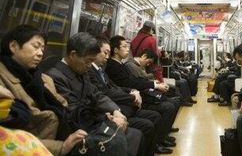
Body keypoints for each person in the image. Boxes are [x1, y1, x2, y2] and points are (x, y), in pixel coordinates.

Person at [46, 32, 143, 156]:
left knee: (135, 135)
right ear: (73, 55)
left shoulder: (81, 71)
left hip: (92, 120)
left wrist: (115, 110)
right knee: (120, 141)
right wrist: (107, 118)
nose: (89, 65)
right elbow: (75, 111)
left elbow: (96, 94)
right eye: (88, 61)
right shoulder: (56, 76)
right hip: (79, 128)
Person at [0, 25, 87, 155]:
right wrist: (61, 147)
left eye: (42, 48)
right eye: (35, 46)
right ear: (13, 46)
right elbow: (7, 135)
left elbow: (63, 106)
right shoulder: (3, 78)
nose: (41, 53)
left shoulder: (44, 79)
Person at [88, 37, 168, 155]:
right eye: (124, 46)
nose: (106, 56)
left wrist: (133, 91)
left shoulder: (103, 69)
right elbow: (106, 92)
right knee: (152, 120)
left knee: (157, 114)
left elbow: (115, 86)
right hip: (114, 108)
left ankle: (158, 143)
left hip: (123, 102)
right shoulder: (106, 68)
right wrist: (132, 96)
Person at [106, 35, 178, 151]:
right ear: (115, 50)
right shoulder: (114, 66)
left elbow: (131, 83)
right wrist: (137, 92)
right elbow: (128, 83)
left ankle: (160, 139)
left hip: (135, 95)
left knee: (171, 100)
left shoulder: (120, 65)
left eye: (128, 46)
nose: (127, 49)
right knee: (167, 107)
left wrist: (141, 88)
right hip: (128, 102)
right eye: (124, 46)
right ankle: (158, 142)